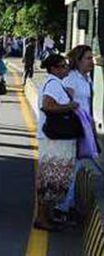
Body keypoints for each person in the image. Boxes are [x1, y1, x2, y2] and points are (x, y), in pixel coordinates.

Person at [33, 53, 78, 230]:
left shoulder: (56, 83)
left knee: (53, 178)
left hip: (54, 138)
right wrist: (69, 106)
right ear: (54, 69)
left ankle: (46, 215)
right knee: (50, 178)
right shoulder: (53, 84)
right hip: (53, 139)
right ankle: (42, 217)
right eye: (62, 66)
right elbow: (48, 105)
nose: (66, 68)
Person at [55, 45, 96, 223]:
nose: (92, 62)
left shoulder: (86, 79)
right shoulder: (71, 79)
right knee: (72, 167)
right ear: (78, 60)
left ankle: (67, 205)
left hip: (84, 128)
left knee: (76, 167)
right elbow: (67, 104)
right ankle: (62, 207)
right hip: (75, 128)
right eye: (88, 58)